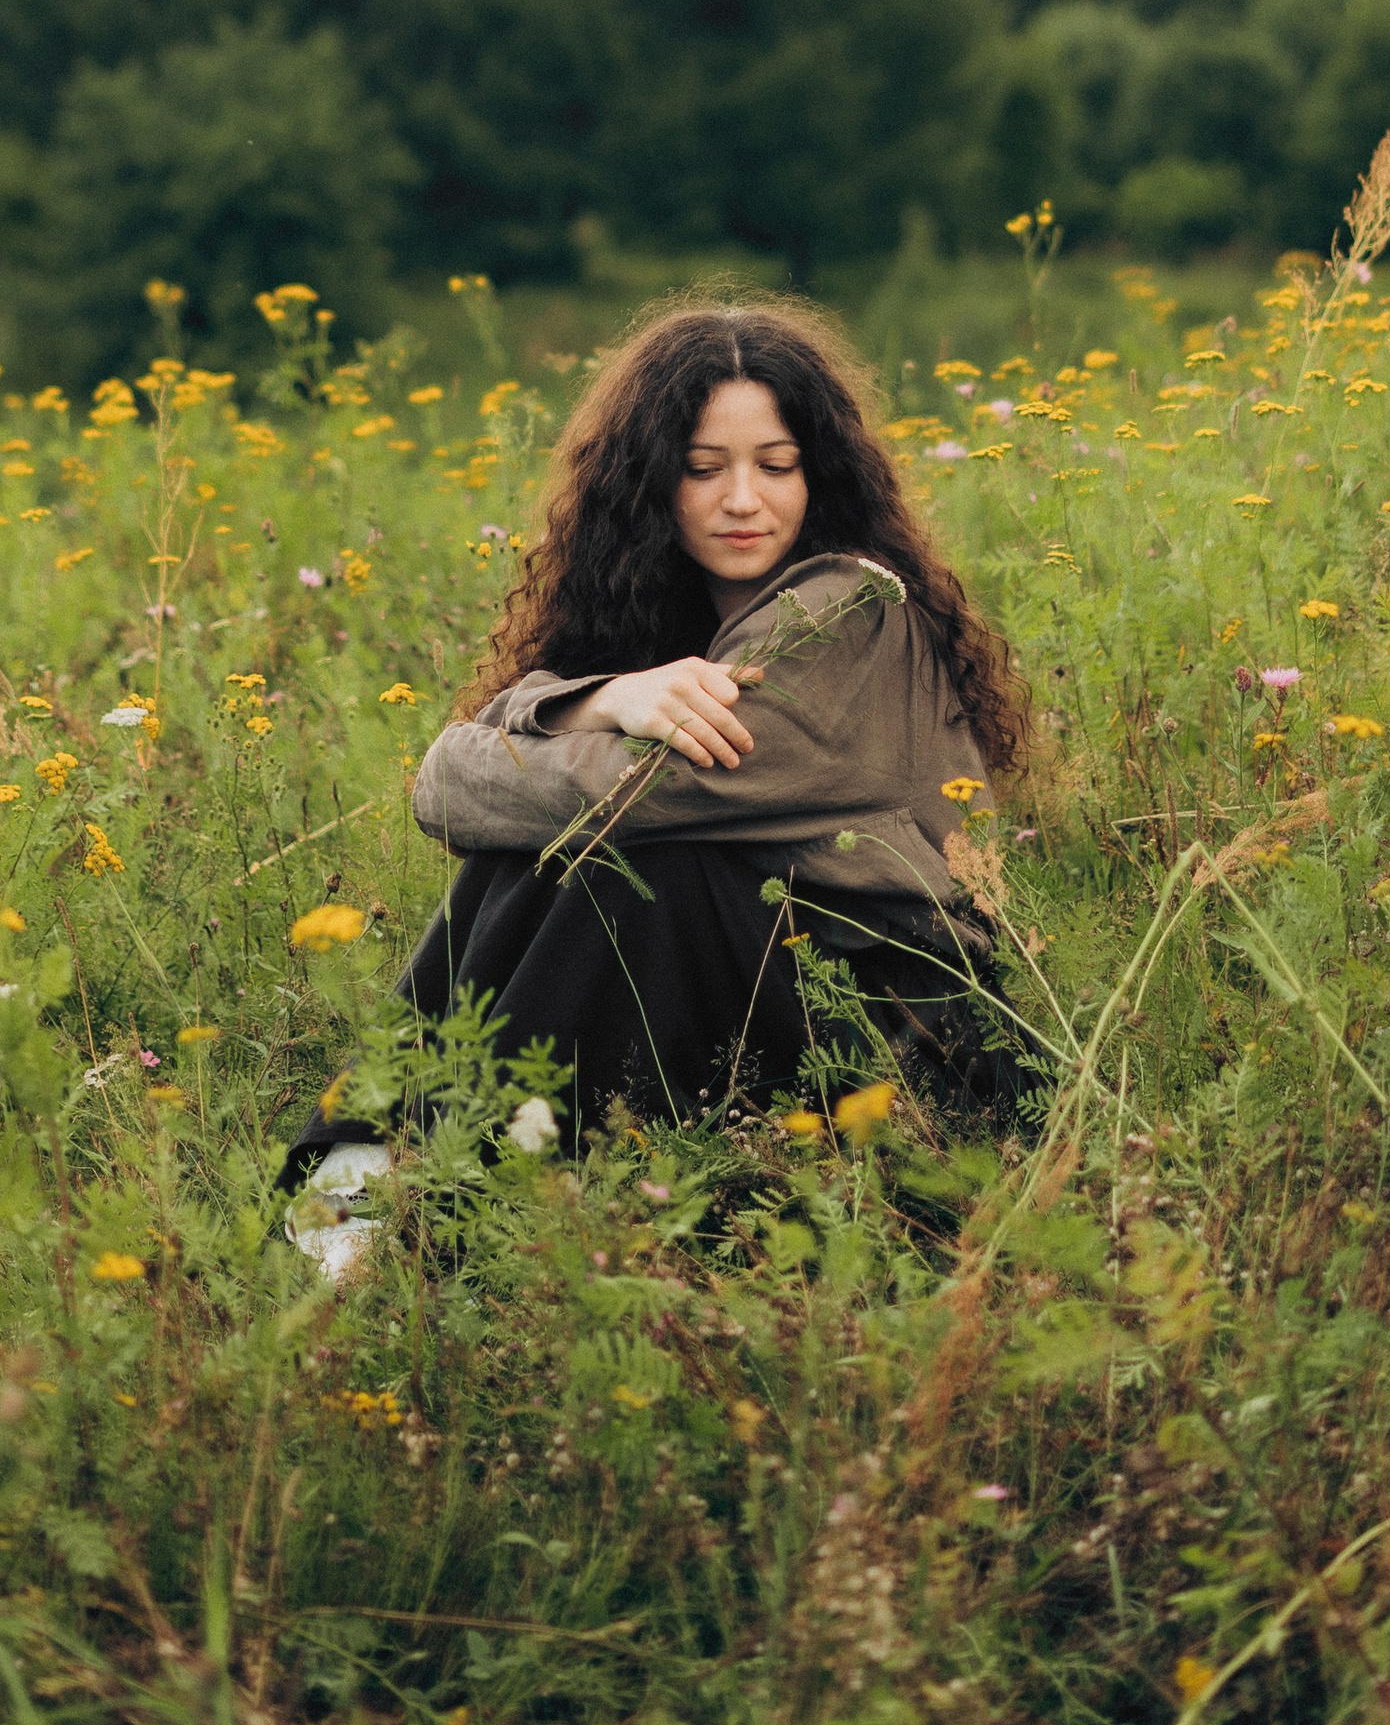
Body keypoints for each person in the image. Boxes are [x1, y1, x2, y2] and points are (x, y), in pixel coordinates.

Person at [398, 300, 1032, 1138]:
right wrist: (603, 696)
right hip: (772, 998)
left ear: (820, 477)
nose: (743, 500)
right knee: (559, 851)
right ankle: (417, 1149)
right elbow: (449, 791)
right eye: (703, 469)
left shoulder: (847, 613)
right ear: (652, 483)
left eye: (777, 465)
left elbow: (607, 794)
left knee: (627, 860)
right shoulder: (665, 633)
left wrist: (516, 734)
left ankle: (410, 1154)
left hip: (908, 1043)